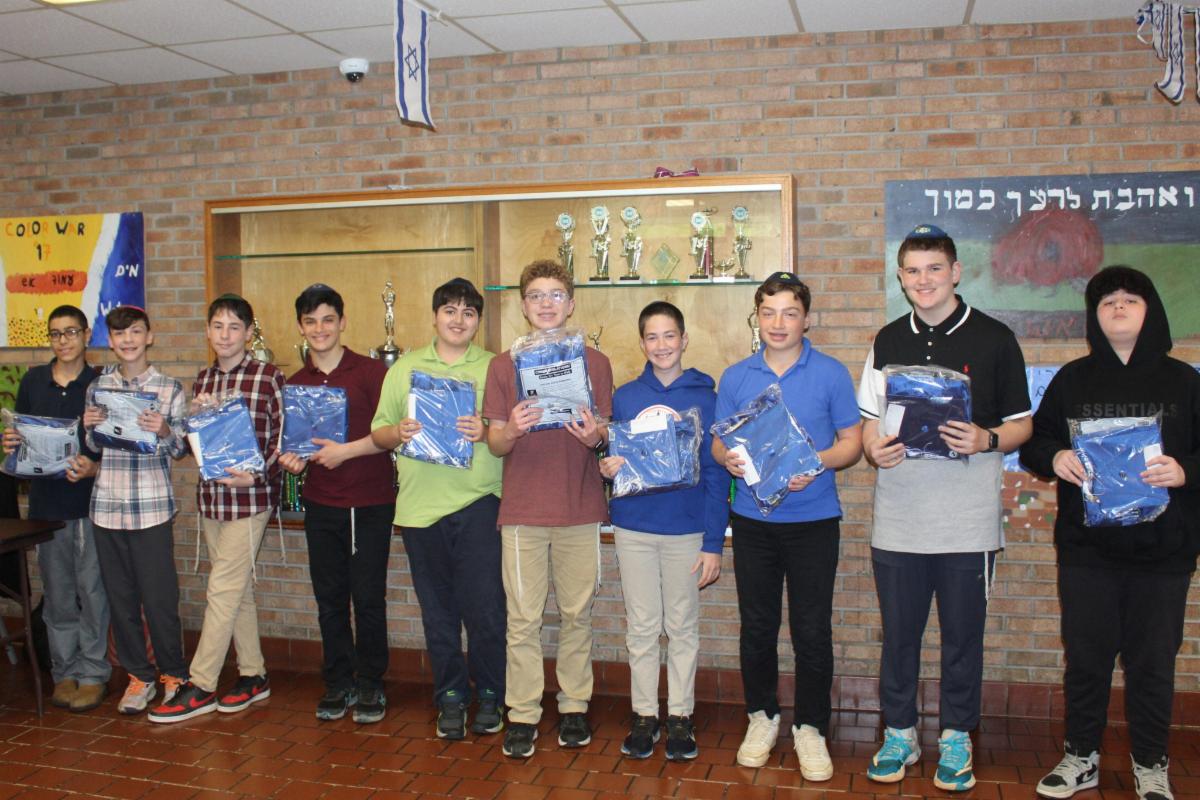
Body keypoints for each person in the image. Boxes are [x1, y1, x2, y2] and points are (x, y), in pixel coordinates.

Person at [858, 224, 1031, 792]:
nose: (923, 279)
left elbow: (1022, 425)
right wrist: (874, 448)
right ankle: (900, 734)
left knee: (962, 640)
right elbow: (868, 424)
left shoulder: (996, 338)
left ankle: (956, 736)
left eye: (934, 268)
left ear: (955, 272)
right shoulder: (887, 340)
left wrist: (986, 439)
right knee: (899, 637)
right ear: (900, 277)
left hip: (967, 524)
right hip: (899, 520)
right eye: (912, 270)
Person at [1020, 266, 1198, 800]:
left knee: (1152, 664)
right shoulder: (1072, 380)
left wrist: (1185, 470)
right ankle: (1081, 757)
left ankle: (1151, 762)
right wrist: (1055, 456)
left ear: (1151, 311)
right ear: (1094, 317)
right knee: (1086, 660)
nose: (1118, 307)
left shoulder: (1185, 381)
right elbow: (1034, 444)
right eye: (1107, 302)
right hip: (1088, 550)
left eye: (1130, 299)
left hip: (1164, 551)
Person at [712, 271, 862, 780]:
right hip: (752, 521)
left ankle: (811, 727)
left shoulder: (832, 374)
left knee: (811, 629)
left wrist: (815, 464)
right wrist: (729, 460)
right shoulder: (737, 376)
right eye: (769, 312)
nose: (778, 323)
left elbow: (851, 444)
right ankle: (762, 717)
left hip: (814, 520)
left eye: (790, 313)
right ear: (756, 318)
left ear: (806, 320)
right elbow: (718, 443)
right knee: (757, 625)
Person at [483, 259, 613, 759]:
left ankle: (574, 705)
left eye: (555, 295)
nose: (545, 304)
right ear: (523, 305)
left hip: (579, 506)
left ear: (571, 303)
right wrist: (512, 429)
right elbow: (495, 443)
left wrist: (594, 436)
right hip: (522, 511)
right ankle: (522, 713)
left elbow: (604, 433)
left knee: (577, 614)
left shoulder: (595, 363)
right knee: (523, 619)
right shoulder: (503, 365)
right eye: (536, 295)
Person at [370, 278, 506, 740]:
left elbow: (508, 435)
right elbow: (379, 432)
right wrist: (400, 432)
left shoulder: (494, 367)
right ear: (434, 316)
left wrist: (484, 430)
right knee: (438, 613)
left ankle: (491, 694)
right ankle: (450, 695)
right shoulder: (405, 368)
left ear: (477, 321)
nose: (458, 320)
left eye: (468, 312)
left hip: (479, 503)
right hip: (420, 510)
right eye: (450, 310)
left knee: (486, 610)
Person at [599, 301, 727, 761]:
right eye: (652, 337)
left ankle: (680, 716)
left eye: (669, 335)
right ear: (642, 344)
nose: (661, 345)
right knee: (642, 626)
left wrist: (713, 542)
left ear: (684, 339)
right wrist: (608, 467)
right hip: (634, 526)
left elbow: (717, 474)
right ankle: (644, 715)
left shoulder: (707, 398)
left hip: (686, 530)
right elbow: (615, 459)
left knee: (682, 625)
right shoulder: (626, 397)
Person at [149, 294, 285, 723]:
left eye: (234, 327)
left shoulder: (268, 377)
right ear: (208, 331)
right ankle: (253, 673)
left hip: (251, 500)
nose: (225, 335)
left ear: (249, 332)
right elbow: (197, 445)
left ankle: (201, 683)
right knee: (237, 592)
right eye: (218, 326)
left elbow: (283, 439)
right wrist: (192, 421)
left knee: (221, 591)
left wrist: (256, 475)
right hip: (212, 500)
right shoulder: (204, 378)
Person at [279, 284, 395, 724]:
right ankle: (338, 681)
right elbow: (297, 449)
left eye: (328, 319)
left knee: (368, 599)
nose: (320, 329)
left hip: (370, 503)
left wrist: (346, 452)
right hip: (321, 504)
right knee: (329, 599)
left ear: (342, 322)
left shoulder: (372, 373)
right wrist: (293, 461)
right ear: (301, 327)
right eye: (310, 321)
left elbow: (391, 436)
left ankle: (371, 682)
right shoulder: (295, 385)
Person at [84, 305, 190, 714]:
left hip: (151, 509)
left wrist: (164, 430)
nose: (127, 340)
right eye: (119, 334)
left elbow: (180, 449)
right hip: (107, 508)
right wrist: (88, 426)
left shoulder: (169, 388)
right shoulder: (98, 387)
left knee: (160, 599)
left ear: (149, 336)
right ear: (110, 341)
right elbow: (93, 445)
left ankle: (174, 675)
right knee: (121, 600)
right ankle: (139, 677)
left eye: (135, 332)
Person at [3, 305, 109, 712]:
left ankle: (94, 673)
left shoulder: (100, 383)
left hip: (90, 504)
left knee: (92, 591)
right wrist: (11, 444)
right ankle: (64, 671)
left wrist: (94, 467)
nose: (63, 341)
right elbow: (19, 438)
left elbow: (115, 444)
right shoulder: (33, 381)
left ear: (86, 335)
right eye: (55, 334)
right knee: (59, 593)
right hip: (46, 507)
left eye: (71, 332)